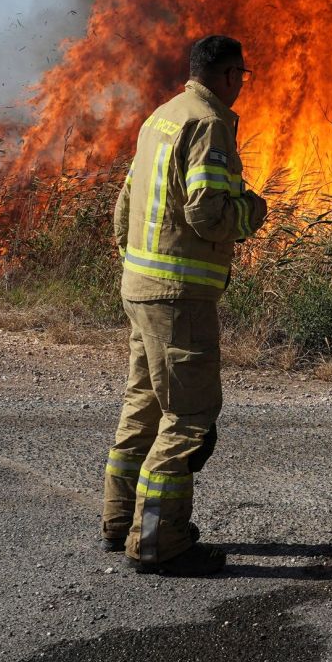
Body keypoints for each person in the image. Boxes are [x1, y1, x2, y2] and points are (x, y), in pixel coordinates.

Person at [101, 35, 268, 576]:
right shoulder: (210, 121)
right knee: (189, 417)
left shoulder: (162, 117)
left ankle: (119, 520)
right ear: (225, 75)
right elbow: (208, 212)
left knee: (144, 404)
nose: (243, 83)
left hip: (140, 286)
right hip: (178, 296)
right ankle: (158, 541)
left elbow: (124, 206)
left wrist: (136, 265)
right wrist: (252, 212)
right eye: (242, 74)